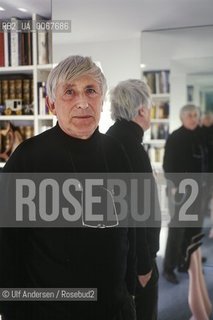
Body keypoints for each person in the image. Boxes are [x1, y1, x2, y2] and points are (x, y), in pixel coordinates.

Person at [0, 55, 136, 320]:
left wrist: (129, 291)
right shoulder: (28, 159)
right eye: (70, 92)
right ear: (51, 104)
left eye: (90, 90)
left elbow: (128, 228)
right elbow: (6, 246)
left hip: (113, 308)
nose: (83, 102)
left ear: (102, 99)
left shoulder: (116, 152)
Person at [107, 79, 161, 320]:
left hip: (123, 258)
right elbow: (138, 211)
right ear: (141, 110)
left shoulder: (113, 138)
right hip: (137, 262)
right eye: (149, 108)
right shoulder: (131, 147)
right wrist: (143, 266)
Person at [162, 104, 209, 284]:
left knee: (194, 228)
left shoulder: (201, 135)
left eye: (196, 114)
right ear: (182, 118)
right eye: (190, 115)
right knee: (177, 230)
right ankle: (169, 267)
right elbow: (168, 165)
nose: (194, 118)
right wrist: (173, 186)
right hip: (180, 190)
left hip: (200, 189)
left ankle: (188, 261)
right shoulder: (175, 137)